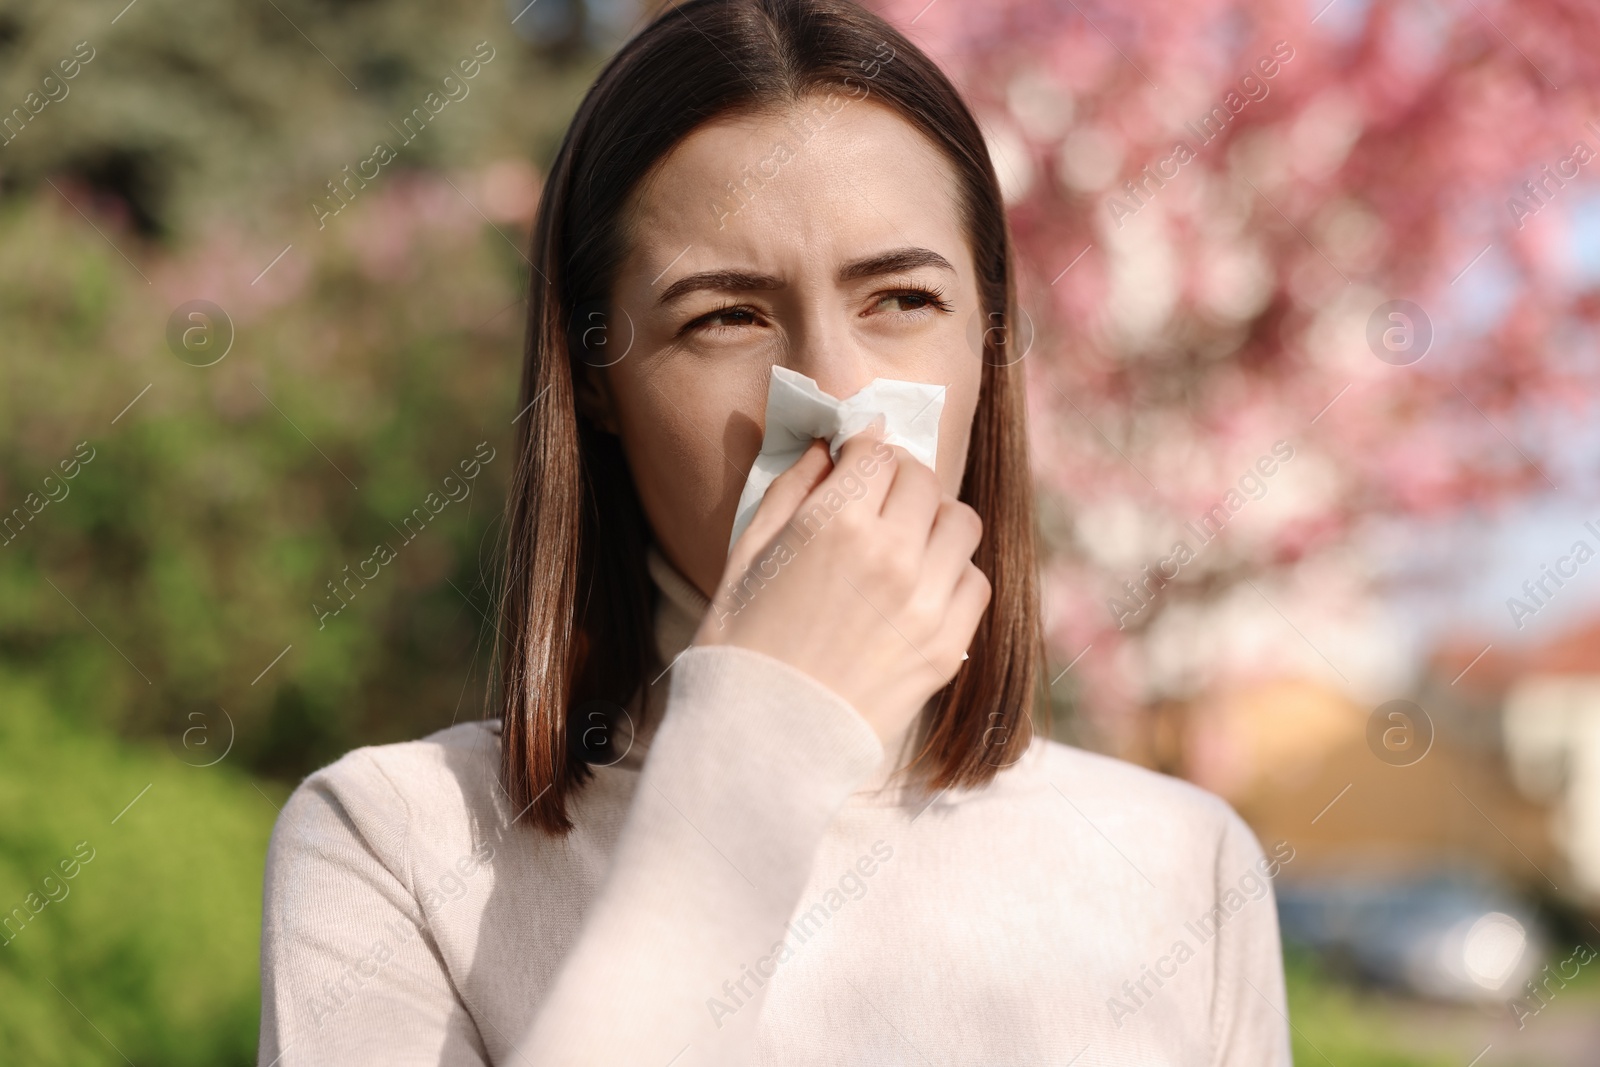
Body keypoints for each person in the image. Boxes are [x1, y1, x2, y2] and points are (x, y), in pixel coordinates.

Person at [257, 0, 1294, 1062]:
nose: (838, 398)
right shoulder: (395, 844)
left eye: (899, 298)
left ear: (987, 341)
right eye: (725, 316)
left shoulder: (1182, 866)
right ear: (598, 378)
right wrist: (760, 735)